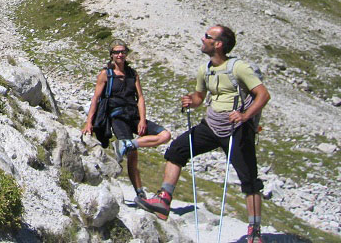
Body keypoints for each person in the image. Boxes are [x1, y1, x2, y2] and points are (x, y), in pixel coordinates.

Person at [136, 25, 270, 243]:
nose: (203, 38)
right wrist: (191, 100)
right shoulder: (205, 69)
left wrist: (245, 117)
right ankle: (163, 199)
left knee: (249, 179)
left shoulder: (239, 68)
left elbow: (263, 95)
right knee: (177, 150)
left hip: (237, 127)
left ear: (218, 44)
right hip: (212, 123)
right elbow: (199, 98)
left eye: (207, 37)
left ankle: (254, 232)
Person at [83, 39, 171, 200]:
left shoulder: (132, 74)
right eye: (116, 52)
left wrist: (143, 119)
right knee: (133, 155)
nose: (120, 54)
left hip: (134, 116)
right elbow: (96, 98)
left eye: (123, 51)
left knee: (165, 135)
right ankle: (139, 192)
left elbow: (141, 98)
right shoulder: (105, 74)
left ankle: (127, 144)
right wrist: (89, 123)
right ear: (111, 55)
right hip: (117, 117)